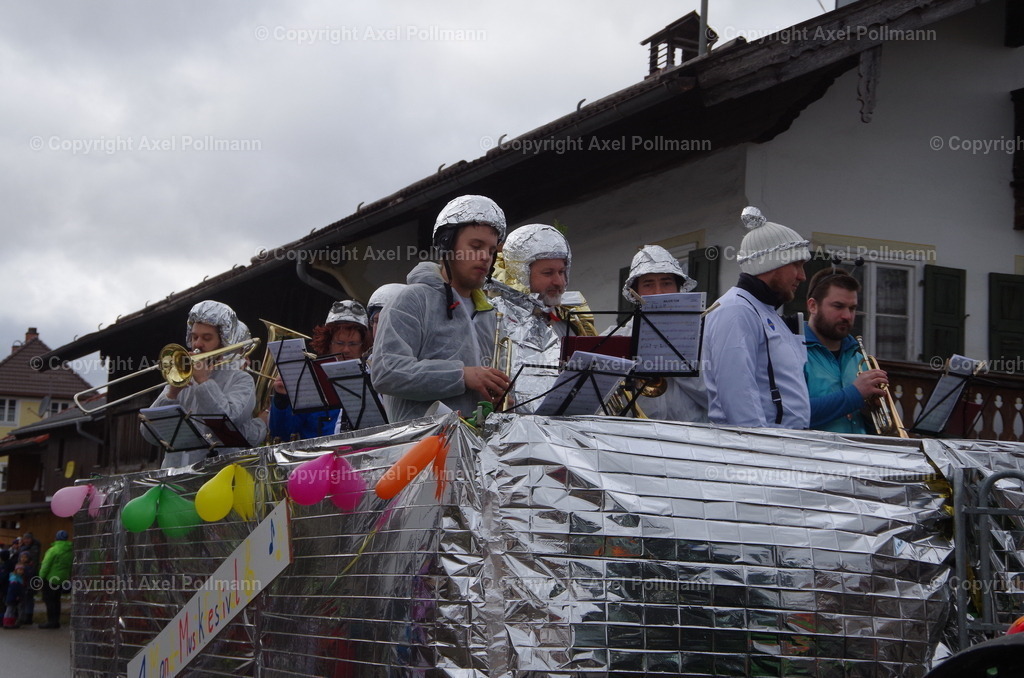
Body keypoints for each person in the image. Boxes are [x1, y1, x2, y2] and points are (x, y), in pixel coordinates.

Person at [372, 195, 511, 422]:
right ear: (446, 245)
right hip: (420, 451)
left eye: (492, 250)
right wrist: (462, 375)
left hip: (479, 450)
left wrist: (502, 398)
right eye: (476, 246)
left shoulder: (491, 315)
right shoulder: (411, 300)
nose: (486, 257)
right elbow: (386, 372)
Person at [702, 206, 812, 429]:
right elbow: (737, 394)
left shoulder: (764, 310)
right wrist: (759, 450)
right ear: (772, 264)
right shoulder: (735, 310)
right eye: (797, 264)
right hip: (758, 452)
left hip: (782, 449)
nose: (802, 276)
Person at [140, 300, 267, 468]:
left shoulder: (240, 379)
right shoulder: (182, 375)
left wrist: (204, 382)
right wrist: (171, 394)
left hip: (218, 477)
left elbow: (230, 420)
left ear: (223, 341)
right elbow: (149, 434)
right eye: (194, 337)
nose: (197, 344)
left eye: (206, 338)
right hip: (175, 478)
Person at [487, 224, 595, 413]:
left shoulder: (569, 320)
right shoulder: (494, 316)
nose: (559, 282)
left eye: (562, 272)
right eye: (548, 273)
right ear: (521, 274)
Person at [612, 245, 709, 422]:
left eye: (666, 283)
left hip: (693, 440)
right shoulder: (617, 338)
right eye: (648, 285)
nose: (659, 292)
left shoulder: (706, 335)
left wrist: (676, 362)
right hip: (638, 440)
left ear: (679, 288)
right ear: (635, 293)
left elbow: (717, 400)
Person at [269, 300, 371, 441]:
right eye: (340, 343)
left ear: (363, 346)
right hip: (318, 459)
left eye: (353, 344)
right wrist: (281, 399)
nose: (346, 349)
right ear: (328, 343)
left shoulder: (375, 377)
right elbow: (282, 433)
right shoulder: (310, 379)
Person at [803, 266, 889, 433]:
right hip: (815, 456)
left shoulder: (860, 360)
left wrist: (870, 412)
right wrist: (855, 394)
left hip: (861, 455)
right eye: (838, 306)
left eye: (852, 308)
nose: (847, 316)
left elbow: (875, 429)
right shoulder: (793, 353)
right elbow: (791, 413)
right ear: (813, 306)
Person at [37, 530, 72, 629]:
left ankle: (51, 621)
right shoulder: (70, 550)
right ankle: (56, 621)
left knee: (49, 600)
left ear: (56, 538)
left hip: (50, 578)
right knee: (57, 600)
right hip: (62, 578)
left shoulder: (53, 550)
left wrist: (41, 577)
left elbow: (46, 565)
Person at [3, 563, 24, 629]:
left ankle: (10, 622)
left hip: (14, 597)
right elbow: (14, 589)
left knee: (12, 610)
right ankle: (7, 622)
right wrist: (16, 595)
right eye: (19, 570)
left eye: (22, 570)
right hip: (12, 597)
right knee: (10, 610)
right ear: (16, 570)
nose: (21, 571)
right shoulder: (14, 579)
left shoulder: (19, 578)